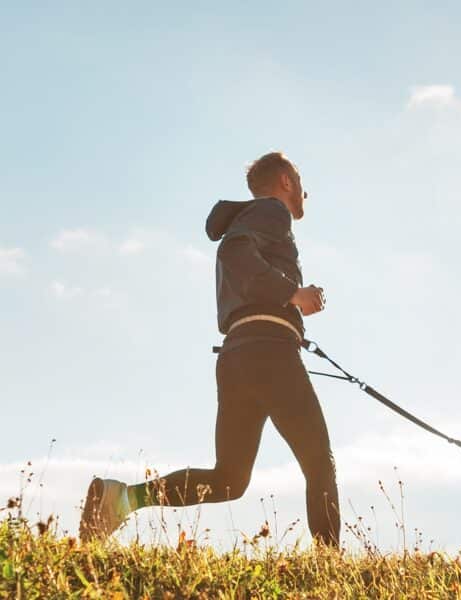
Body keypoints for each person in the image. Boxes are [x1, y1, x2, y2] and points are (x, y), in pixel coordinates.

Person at [79, 152, 340, 547]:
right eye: (300, 180)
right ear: (285, 181)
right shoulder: (272, 211)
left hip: (238, 355)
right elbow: (234, 252)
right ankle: (330, 570)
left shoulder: (252, 218)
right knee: (319, 462)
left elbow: (239, 257)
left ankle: (122, 498)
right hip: (269, 352)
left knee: (230, 479)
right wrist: (293, 293)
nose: (306, 191)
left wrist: (292, 303)